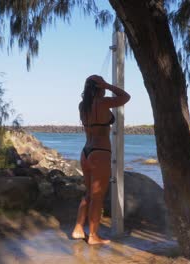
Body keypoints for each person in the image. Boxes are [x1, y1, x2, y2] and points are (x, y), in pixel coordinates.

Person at [71, 75, 130, 245]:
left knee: (89, 194)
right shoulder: (103, 103)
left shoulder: (83, 105)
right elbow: (126, 97)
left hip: (86, 152)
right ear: (99, 87)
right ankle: (93, 236)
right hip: (100, 152)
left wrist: (101, 86)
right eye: (102, 85)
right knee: (97, 197)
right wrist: (109, 86)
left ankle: (78, 228)